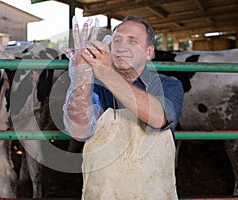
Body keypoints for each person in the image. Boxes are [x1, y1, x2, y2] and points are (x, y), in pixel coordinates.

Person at [62, 16, 184, 199]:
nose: (121, 47)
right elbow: (79, 130)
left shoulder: (169, 85)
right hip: (104, 194)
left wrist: (106, 73)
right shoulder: (95, 87)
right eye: (117, 40)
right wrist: (82, 77)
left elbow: (158, 118)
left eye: (132, 41)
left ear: (149, 52)